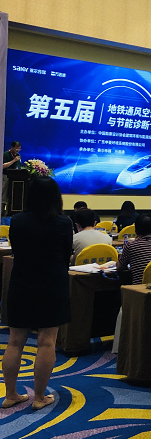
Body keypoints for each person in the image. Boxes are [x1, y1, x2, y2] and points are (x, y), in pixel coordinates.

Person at [3, 177, 72, 410]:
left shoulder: (17, 221)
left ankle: (11, 394)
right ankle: (39, 397)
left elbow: (16, 250)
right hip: (52, 285)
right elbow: (66, 255)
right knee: (46, 342)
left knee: (15, 342)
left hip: (21, 283)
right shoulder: (64, 223)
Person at [2, 141, 22, 212]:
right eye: (16, 148)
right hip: (5, 177)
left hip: (15, 178)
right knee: (3, 195)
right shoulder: (5, 154)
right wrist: (13, 160)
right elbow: (2, 166)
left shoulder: (18, 155)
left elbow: (19, 166)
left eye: (19, 148)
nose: (18, 150)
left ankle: (9, 211)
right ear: (12, 147)